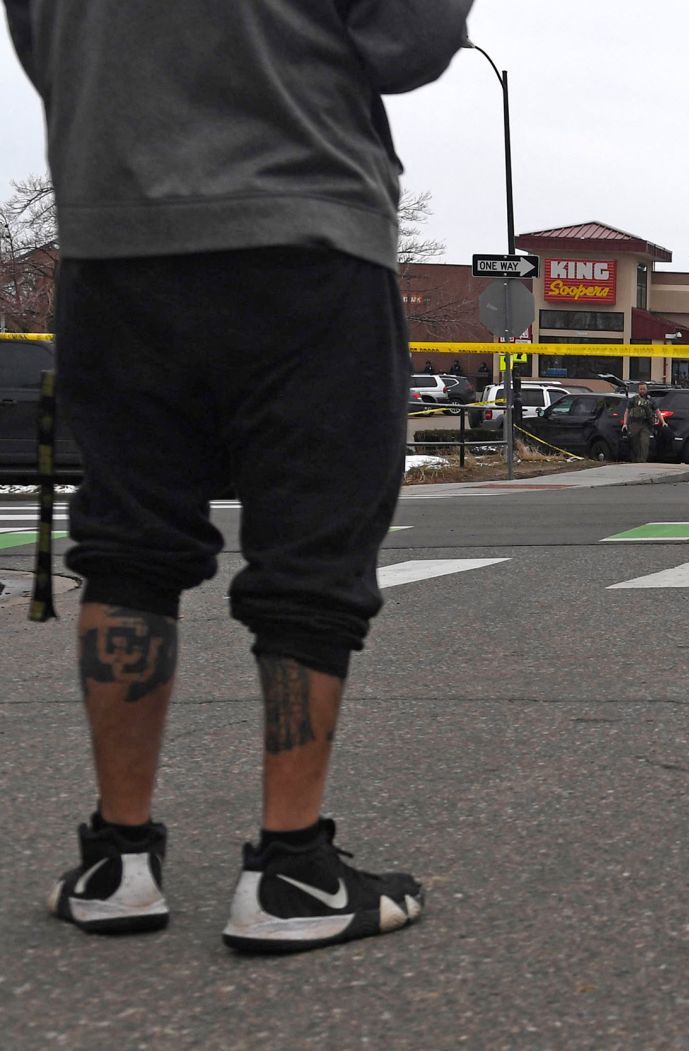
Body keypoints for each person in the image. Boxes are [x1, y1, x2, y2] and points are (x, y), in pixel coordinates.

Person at [7, 0, 474, 953]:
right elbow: (410, 44)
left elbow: (42, 47)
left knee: (127, 542)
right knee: (310, 548)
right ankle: (292, 869)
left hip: (115, 234)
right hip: (302, 232)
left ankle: (115, 861)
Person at [623, 381, 664, 463]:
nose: (642, 390)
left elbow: (657, 411)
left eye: (644, 389)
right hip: (634, 423)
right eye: (641, 389)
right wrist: (625, 424)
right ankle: (635, 460)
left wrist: (663, 422)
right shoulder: (633, 400)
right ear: (638, 389)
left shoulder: (650, 400)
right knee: (635, 443)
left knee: (644, 443)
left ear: (647, 389)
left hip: (646, 424)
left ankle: (642, 461)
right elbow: (627, 411)